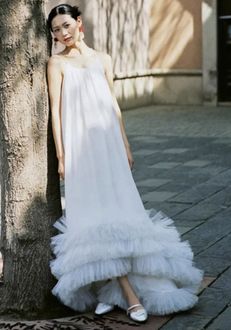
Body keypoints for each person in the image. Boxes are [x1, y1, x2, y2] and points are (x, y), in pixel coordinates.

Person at [46, 4, 203, 323]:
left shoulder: (103, 59)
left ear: (79, 23)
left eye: (66, 25)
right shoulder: (56, 63)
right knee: (93, 219)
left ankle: (112, 292)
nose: (62, 33)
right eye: (56, 30)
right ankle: (128, 295)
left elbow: (113, 105)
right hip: (80, 150)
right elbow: (55, 112)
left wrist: (126, 144)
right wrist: (62, 156)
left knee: (120, 213)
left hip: (110, 147)